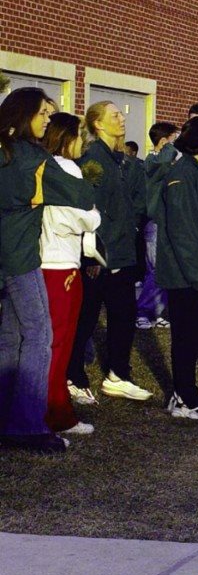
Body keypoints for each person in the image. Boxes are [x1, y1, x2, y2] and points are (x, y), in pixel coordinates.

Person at [0, 88, 97, 454]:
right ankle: (26, 424)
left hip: (5, 255)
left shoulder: (5, 151)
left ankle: (6, 414)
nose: (47, 119)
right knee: (40, 336)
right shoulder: (31, 156)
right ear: (24, 114)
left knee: (10, 338)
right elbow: (81, 195)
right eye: (42, 113)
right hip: (23, 257)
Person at [67, 101, 152, 404]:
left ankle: (118, 375)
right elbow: (85, 206)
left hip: (124, 254)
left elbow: (138, 205)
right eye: (114, 115)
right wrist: (91, 255)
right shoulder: (92, 160)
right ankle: (73, 376)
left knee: (123, 317)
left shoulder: (124, 161)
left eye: (121, 113)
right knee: (86, 319)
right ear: (98, 124)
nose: (122, 118)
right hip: (100, 257)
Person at [155, 116, 198, 419]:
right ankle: (186, 397)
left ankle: (182, 393)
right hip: (186, 276)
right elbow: (184, 233)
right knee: (186, 337)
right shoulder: (183, 175)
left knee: (193, 336)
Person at [40, 113, 102, 437]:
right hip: (61, 263)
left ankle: (49, 407)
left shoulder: (46, 166)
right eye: (79, 135)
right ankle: (57, 413)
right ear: (67, 137)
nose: (83, 142)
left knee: (48, 343)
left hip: (48, 262)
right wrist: (92, 217)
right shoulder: (67, 169)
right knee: (59, 344)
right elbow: (85, 217)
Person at [136, 121, 178, 329]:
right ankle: (143, 311)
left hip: (167, 222)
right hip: (154, 223)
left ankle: (157, 312)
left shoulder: (165, 163)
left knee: (163, 270)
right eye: (173, 140)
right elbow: (162, 162)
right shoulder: (151, 162)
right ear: (163, 141)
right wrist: (170, 146)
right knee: (154, 269)